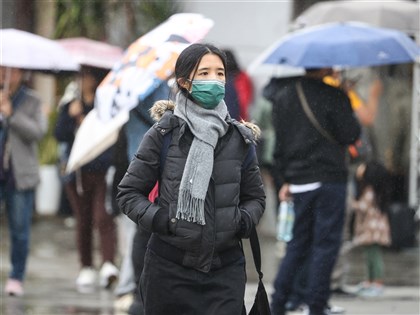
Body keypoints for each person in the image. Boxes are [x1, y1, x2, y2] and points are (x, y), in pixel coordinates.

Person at [117, 43, 266, 315]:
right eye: (205, 73)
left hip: (224, 270)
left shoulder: (239, 139)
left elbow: (255, 197)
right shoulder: (163, 135)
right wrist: (162, 219)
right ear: (185, 82)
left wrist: (241, 220)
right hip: (168, 269)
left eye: (220, 73)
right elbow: (128, 193)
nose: (215, 81)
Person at [269, 67, 361, 315]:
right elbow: (351, 134)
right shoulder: (334, 95)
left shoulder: (284, 95)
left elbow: (280, 143)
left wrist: (285, 178)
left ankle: (278, 302)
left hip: (298, 180)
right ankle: (316, 305)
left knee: (297, 244)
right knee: (325, 245)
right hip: (329, 179)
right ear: (326, 66)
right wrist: (345, 97)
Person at [54, 66, 119, 292]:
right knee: (83, 220)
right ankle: (86, 266)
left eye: (88, 75)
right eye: (81, 76)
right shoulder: (70, 103)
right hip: (78, 173)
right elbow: (59, 134)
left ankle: (109, 263)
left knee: (103, 216)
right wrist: (72, 116)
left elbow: (112, 134)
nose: (84, 80)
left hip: (102, 170)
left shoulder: (105, 104)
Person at [0, 66, 47, 296]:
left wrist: (12, 115)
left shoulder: (31, 100)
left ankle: (16, 276)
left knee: (19, 230)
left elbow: (38, 132)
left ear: (21, 73)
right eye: (1, 69)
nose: (6, 74)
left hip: (19, 176)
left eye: (11, 70)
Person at [351, 160, 391, 297]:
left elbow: (363, 207)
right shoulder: (374, 190)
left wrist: (352, 203)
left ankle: (377, 282)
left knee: (373, 256)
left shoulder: (369, 191)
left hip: (372, 229)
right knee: (370, 256)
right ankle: (369, 281)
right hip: (372, 228)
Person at [223, 49, 254, 121]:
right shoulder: (242, 76)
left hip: (229, 116)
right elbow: (246, 99)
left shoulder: (240, 77)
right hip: (238, 116)